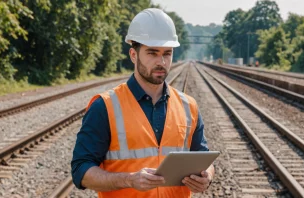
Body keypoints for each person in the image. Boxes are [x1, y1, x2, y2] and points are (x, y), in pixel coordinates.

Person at [71, 8, 214, 198]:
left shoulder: (189, 106)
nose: (161, 61)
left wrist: (207, 176)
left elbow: (203, 158)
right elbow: (81, 170)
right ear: (133, 54)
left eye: (167, 53)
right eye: (152, 53)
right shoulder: (105, 106)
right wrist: (128, 180)